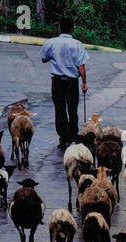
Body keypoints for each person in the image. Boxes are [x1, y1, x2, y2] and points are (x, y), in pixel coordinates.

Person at [39, 17, 89, 149]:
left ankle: (63, 137)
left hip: (57, 82)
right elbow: (81, 66)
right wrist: (84, 82)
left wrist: (54, 57)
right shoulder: (77, 44)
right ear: (72, 29)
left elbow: (44, 59)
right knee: (72, 109)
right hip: (72, 82)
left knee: (59, 110)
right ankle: (73, 136)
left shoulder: (51, 43)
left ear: (59, 28)